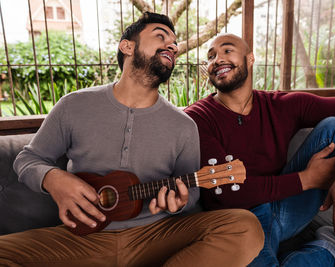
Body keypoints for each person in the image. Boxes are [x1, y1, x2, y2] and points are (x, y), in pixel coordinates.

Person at [0, 14, 264, 267]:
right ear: (127, 46)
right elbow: (28, 159)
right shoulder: (74, 106)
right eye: (161, 36)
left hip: (156, 235)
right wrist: (52, 178)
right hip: (83, 237)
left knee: (245, 226)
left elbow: (191, 189)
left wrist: (179, 203)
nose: (172, 45)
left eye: (174, 43)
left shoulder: (184, 125)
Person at [184, 33, 335, 267]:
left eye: (226, 50)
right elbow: (224, 194)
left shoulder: (280, 104)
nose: (216, 59)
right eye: (211, 56)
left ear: (250, 58)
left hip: (286, 207)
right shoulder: (197, 118)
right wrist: (306, 179)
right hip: (239, 221)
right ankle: (330, 246)